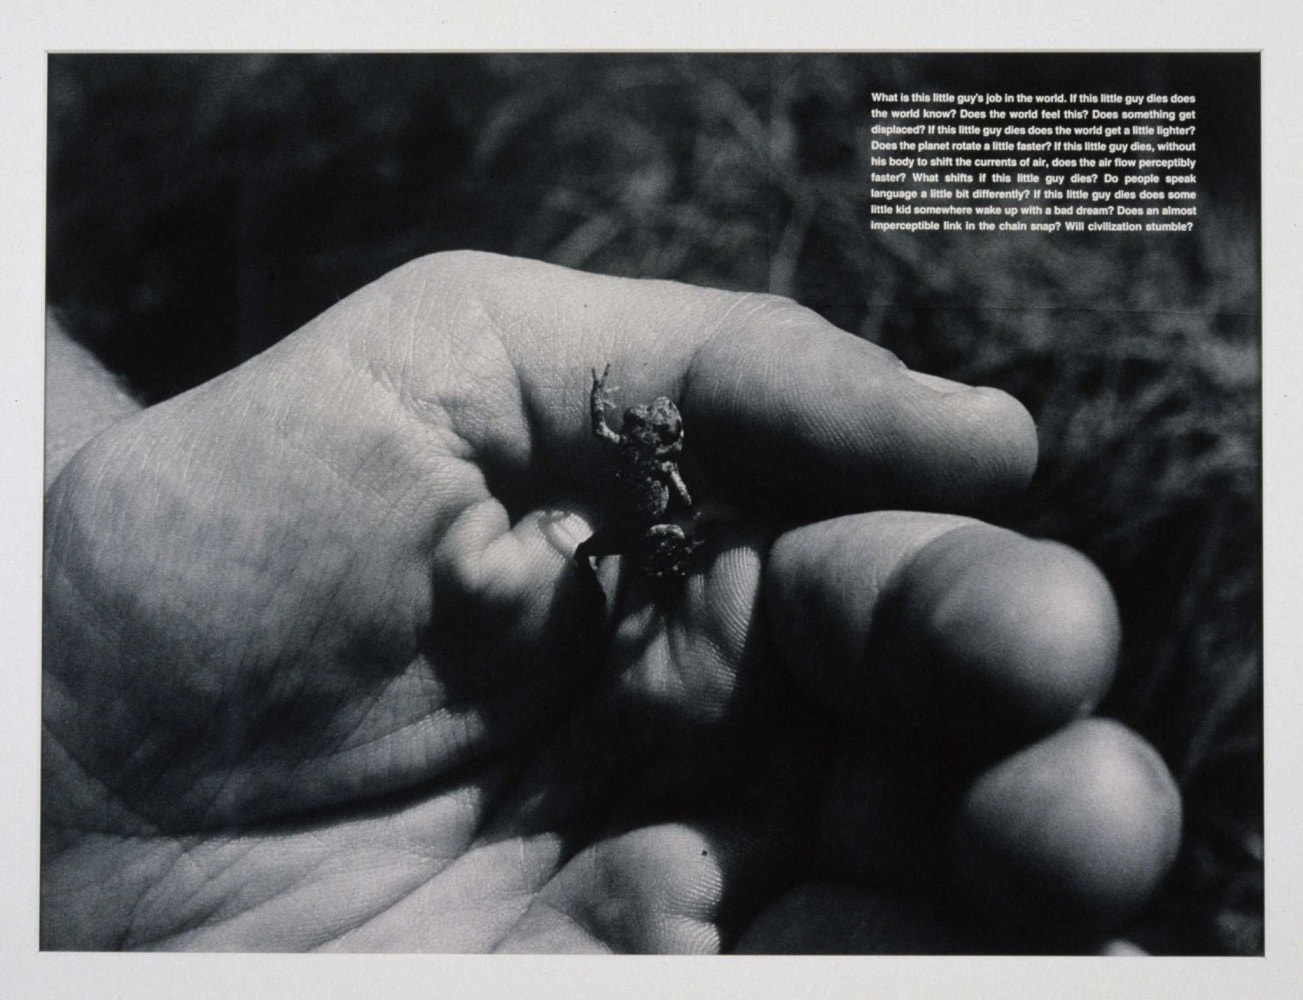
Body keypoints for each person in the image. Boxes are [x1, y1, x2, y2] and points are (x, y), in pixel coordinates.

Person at [41, 250, 1181, 952]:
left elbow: (663, 487)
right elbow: (608, 440)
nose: (655, 425)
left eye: (658, 424)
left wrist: (678, 519)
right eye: (650, 423)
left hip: (655, 542)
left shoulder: (663, 458)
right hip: (627, 539)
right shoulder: (632, 446)